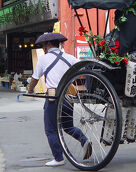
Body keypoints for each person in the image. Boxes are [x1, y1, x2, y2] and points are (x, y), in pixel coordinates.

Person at [28, 32, 92, 167]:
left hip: (53, 97)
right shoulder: (69, 57)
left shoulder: (44, 59)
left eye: (43, 45)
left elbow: (35, 78)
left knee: (51, 129)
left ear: (48, 44)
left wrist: (29, 90)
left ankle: (58, 158)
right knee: (68, 126)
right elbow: (83, 69)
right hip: (68, 97)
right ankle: (84, 140)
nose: (43, 48)